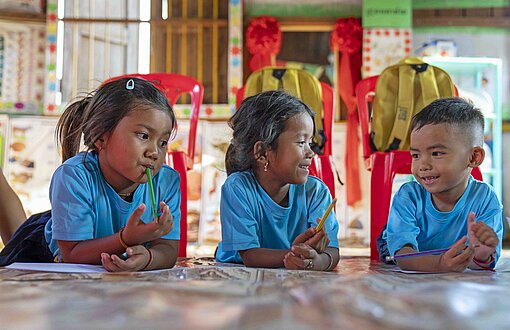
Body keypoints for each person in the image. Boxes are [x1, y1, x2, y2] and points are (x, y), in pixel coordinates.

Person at [0, 77, 181, 272]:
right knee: (14, 238)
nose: (154, 152)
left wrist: (149, 258)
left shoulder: (166, 181)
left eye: (163, 142)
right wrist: (125, 239)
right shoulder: (73, 176)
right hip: (45, 252)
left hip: (84, 242)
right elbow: (71, 255)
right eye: (143, 136)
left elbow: (168, 249)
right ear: (100, 137)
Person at [216, 90, 340, 271]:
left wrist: (316, 261)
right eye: (300, 142)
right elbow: (251, 256)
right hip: (240, 269)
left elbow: (332, 251)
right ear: (263, 152)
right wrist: (294, 254)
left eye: (310, 142)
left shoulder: (316, 192)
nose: (311, 152)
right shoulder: (238, 188)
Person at [378, 97, 503, 272]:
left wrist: (481, 254)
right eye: (415, 155)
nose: (423, 165)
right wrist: (439, 264)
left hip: (448, 254)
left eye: (436, 153)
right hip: (401, 247)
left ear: (474, 157)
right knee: (390, 252)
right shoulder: (409, 195)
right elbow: (403, 256)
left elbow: (484, 262)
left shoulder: (486, 198)